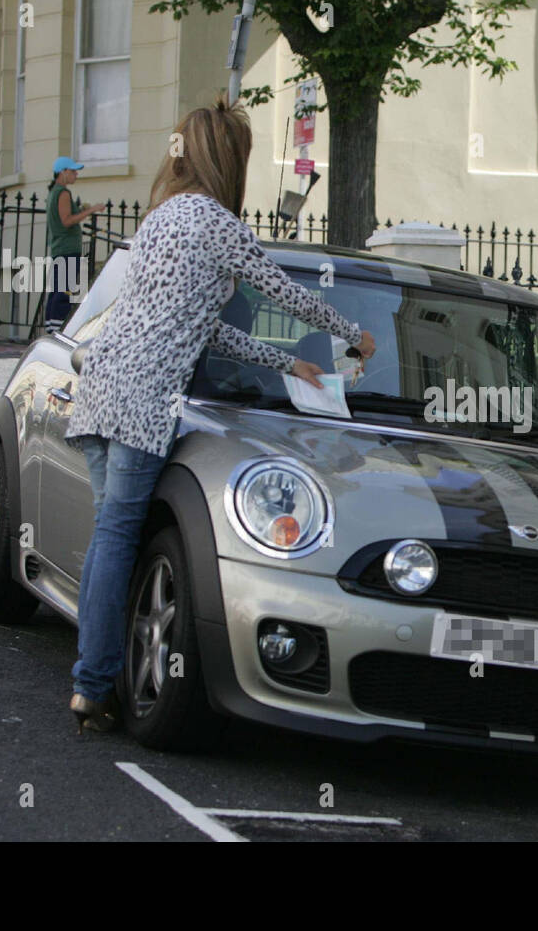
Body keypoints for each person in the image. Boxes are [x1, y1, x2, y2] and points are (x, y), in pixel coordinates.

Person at [61, 95, 375, 732]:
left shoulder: (162, 218)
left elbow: (201, 329)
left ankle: (94, 682)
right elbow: (283, 291)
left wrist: (291, 365)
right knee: (120, 538)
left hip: (100, 387)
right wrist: (353, 334)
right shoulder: (217, 223)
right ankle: (95, 681)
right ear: (228, 158)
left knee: (111, 536)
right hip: (145, 397)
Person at [43, 157, 103, 335]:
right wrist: (91, 210)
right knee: (64, 292)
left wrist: (79, 209)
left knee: (57, 289)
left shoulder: (54, 192)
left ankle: (51, 328)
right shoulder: (63, 193)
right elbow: (67, 220)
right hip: (67, 249)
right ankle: (59, 330)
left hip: (59, 248)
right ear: (62, 172)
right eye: (73, 171)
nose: (76, 174)